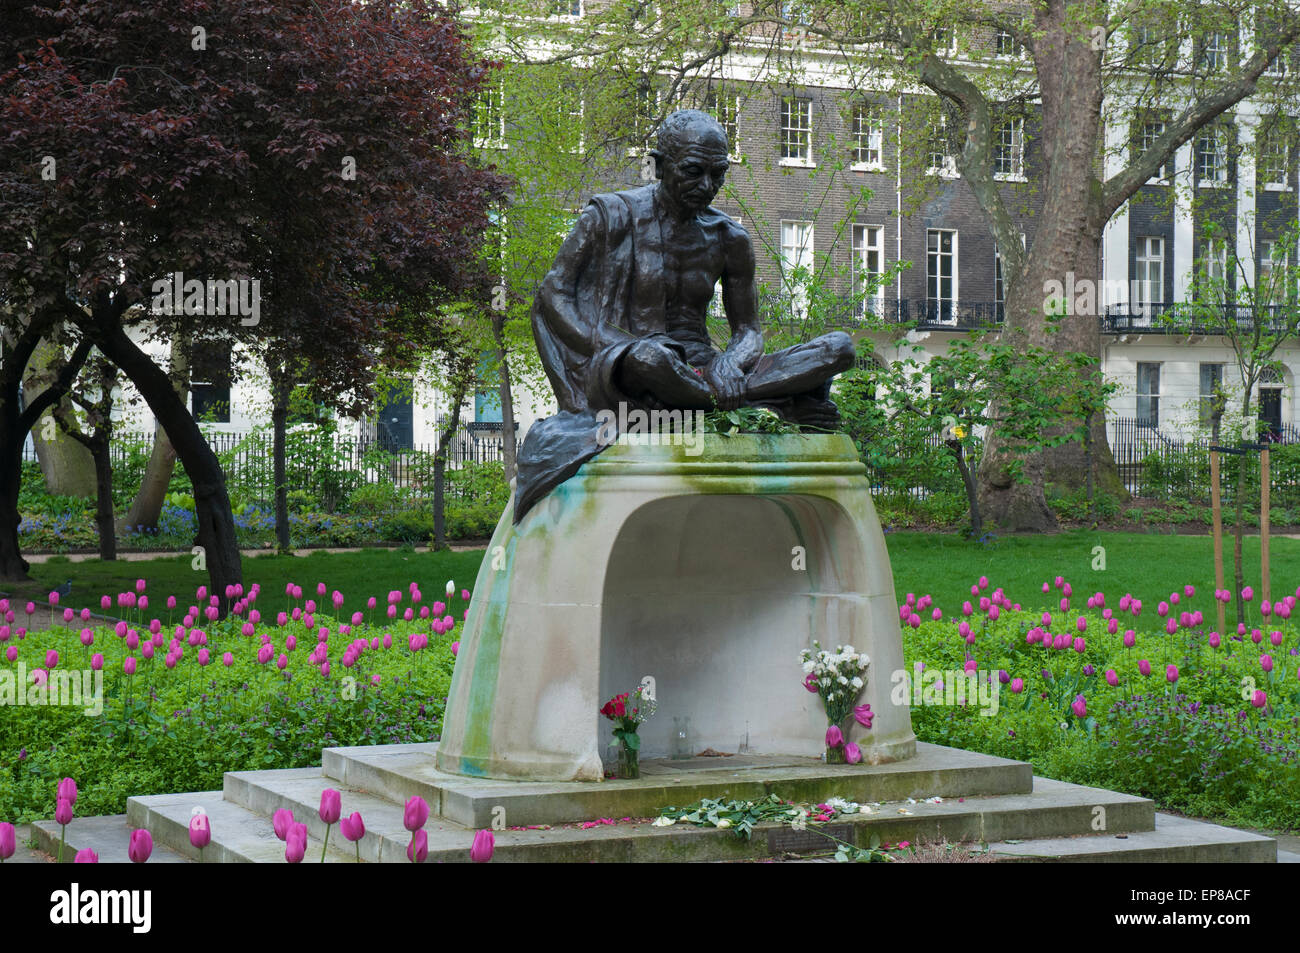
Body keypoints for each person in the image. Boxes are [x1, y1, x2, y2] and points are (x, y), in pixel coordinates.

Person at [516, 109, 854, 521]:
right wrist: (609, 346)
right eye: (693, 171)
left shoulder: (730, 237)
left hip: (705, 370)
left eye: (718, 174)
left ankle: (721, 401)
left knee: (839, 348)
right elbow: (553, 294)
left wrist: (730, 361)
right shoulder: (609, 216)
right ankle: (757, 403)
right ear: (659, 166)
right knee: (651, 358)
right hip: (633, 363)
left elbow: (748, 329)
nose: (706, 186)